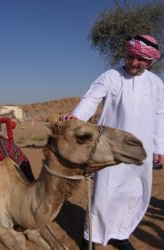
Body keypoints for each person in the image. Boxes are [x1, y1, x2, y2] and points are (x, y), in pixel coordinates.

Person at [60, 34, 164, 250]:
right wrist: (77, 117)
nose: (134, 63)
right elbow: (91, 98)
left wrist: (159, 146)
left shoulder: (156, 83)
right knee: (103, 195)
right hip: (110, 149)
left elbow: (160, 115)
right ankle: (90, 238)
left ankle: (120, 233)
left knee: (134, 193)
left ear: (151, 61)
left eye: (140, 59)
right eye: (130, 57)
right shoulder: (112, 76)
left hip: (140, 151)